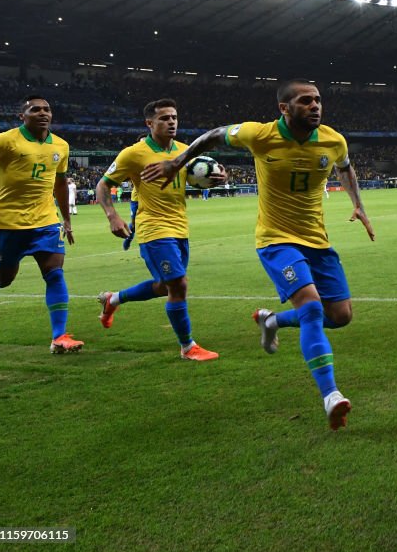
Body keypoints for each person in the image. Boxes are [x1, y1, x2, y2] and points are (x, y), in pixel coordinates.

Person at [140, 79, 375, 429]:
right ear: (284, 108)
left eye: (318, 100)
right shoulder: (258, 135)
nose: (315, 106)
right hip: (276, 239)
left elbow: (345, 167)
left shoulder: (333, 139)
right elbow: (213, 135)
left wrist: (358, 205)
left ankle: (274, 320)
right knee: (311, 308)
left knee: (340, 316)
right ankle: (331, 395)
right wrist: (178, 161)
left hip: (318, 242)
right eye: (306, 101)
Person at [94, 99, 219, 361]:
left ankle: (113, 299)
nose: (171, 121)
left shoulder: (186, 151)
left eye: (174, 117)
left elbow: (203, 175)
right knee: (178, 285)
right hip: (154, 228)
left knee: (165, 286)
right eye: (164, 118)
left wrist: (219, 177)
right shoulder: (133, 154)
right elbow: (103, 185)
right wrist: (112, 216)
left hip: (180, 228)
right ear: (149, 123)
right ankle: (188, 347)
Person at [0, 95, 82, 353]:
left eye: (47, 109)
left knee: (55, 273)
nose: (43, 113)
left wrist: (67, 220)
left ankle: (59, 337)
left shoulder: (61, 145)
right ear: (22, 116)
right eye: (35, 109)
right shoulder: (4, 141)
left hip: (46, 221)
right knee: (5, 278)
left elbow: (60, 184)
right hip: (8, 222)